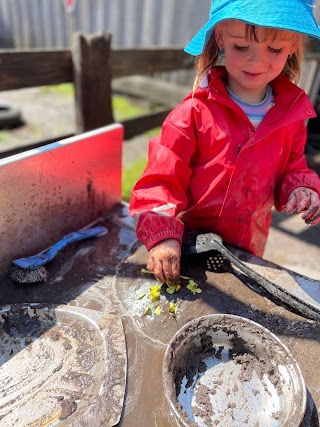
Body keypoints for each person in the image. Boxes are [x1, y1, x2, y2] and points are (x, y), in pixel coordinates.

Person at [129, 0, 320, 286]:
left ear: (292, 45)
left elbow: (292, 166)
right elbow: (160, 183)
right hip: (187, 248)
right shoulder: (193, 113)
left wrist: (301, 188)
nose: (256, 62)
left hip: (249, 246)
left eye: (275, 49)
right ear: (220, 37)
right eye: (241, 47)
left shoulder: (290, 116)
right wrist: (163, 236)